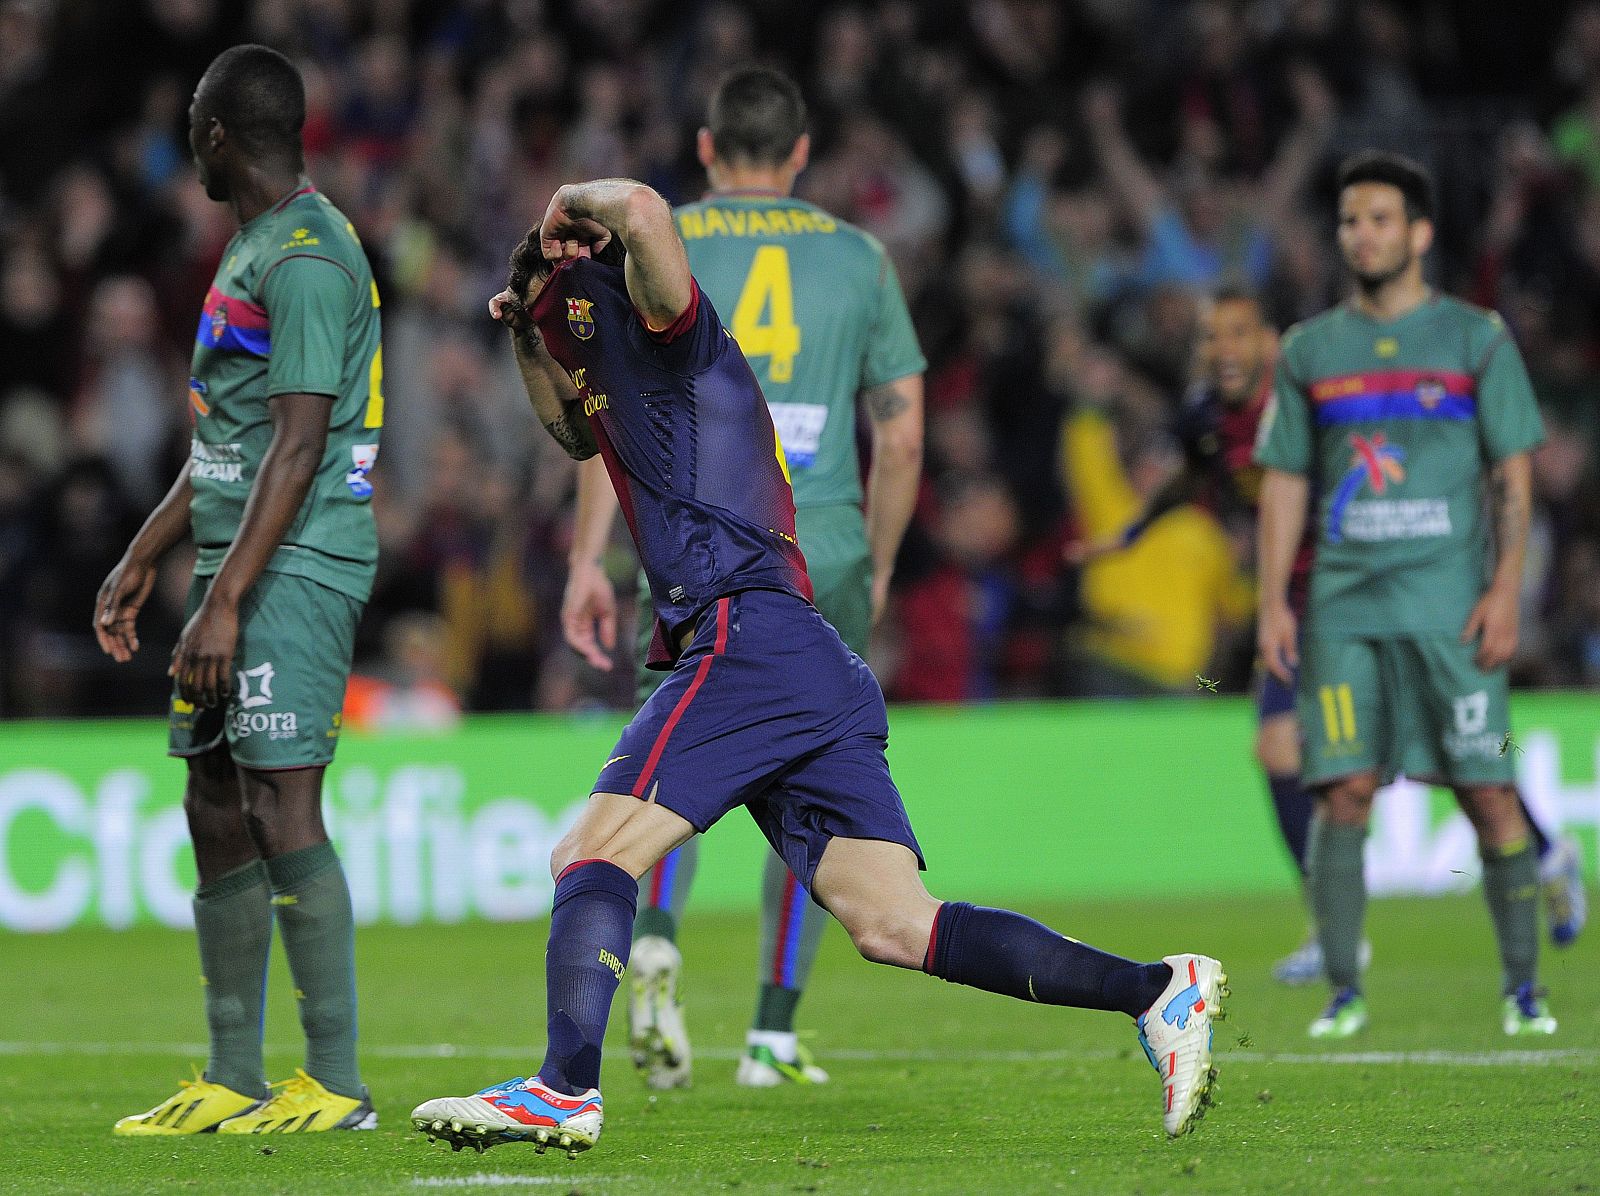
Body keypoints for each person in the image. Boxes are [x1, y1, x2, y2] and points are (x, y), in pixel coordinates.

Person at [410, 180, 1227, 1156]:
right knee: (893, 923)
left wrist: (570, 202)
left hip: (742, 636)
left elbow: (642, 210)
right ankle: (1157, 990)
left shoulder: (679, 336)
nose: (567, 332)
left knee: (589, 852)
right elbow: (569, 429)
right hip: (796, 655)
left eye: (569, 314)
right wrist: (526, 337)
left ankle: (562, 1087)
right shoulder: (620, 389)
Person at [560, 66, 925, 1090]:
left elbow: (608, 416)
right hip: (826, 545)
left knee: (673, 755)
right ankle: (771, 1030)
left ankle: (659, 930)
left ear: (709, 149)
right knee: (810, 768)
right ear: (802, 153)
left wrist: (591, 556)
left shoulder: (663, 240)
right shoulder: (859, 257)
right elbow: (898, 432)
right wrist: (884, 558)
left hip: (690, 541)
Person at [96, 44, 382, 1134]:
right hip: (233, 556)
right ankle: (231, 1071)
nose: (188, 144)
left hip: (295, 561)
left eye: (191, 126)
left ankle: (339, 1082)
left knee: (276, 799)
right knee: (213, 795)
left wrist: (224, 600)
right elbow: (234, 436)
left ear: (219, 133)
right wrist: (147, 549)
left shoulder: (307, 256)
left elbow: (301, 446)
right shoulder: (256, 246)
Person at [1255, 151, 1556, 1040]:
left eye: (1381, 219)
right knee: (1342, 791)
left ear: (1420, 234)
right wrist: (1275, 600)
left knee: (1488, 789)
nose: (1363, 234)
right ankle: (1344, 993)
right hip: (1344, 613)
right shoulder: (1311, 349)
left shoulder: (1475, 338)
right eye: (1351, 220)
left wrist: (1507, 589)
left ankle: (1524, 991)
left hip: (1451, 610)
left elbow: (1514, 471)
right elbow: (1284, 482)